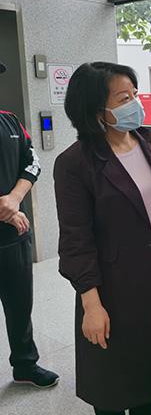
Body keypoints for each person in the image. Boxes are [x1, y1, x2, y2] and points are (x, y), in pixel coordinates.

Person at [54, 62, 151, 415]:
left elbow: (140, 193)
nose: (135, 103)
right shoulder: (76, 163)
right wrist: (91, 305)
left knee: (144, 377)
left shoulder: (145, 140)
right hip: (110, 288)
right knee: (111, 389)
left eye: (135, 94)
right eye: (123, 98)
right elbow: (75, 240)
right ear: (95, 109)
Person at [0, 60, 59, 388]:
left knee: (20, 306)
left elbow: (32, 161)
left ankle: (25, 364)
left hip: (14, 238)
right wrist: (7, 209)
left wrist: (14, 198)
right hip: (12, 221)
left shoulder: (9, 121)